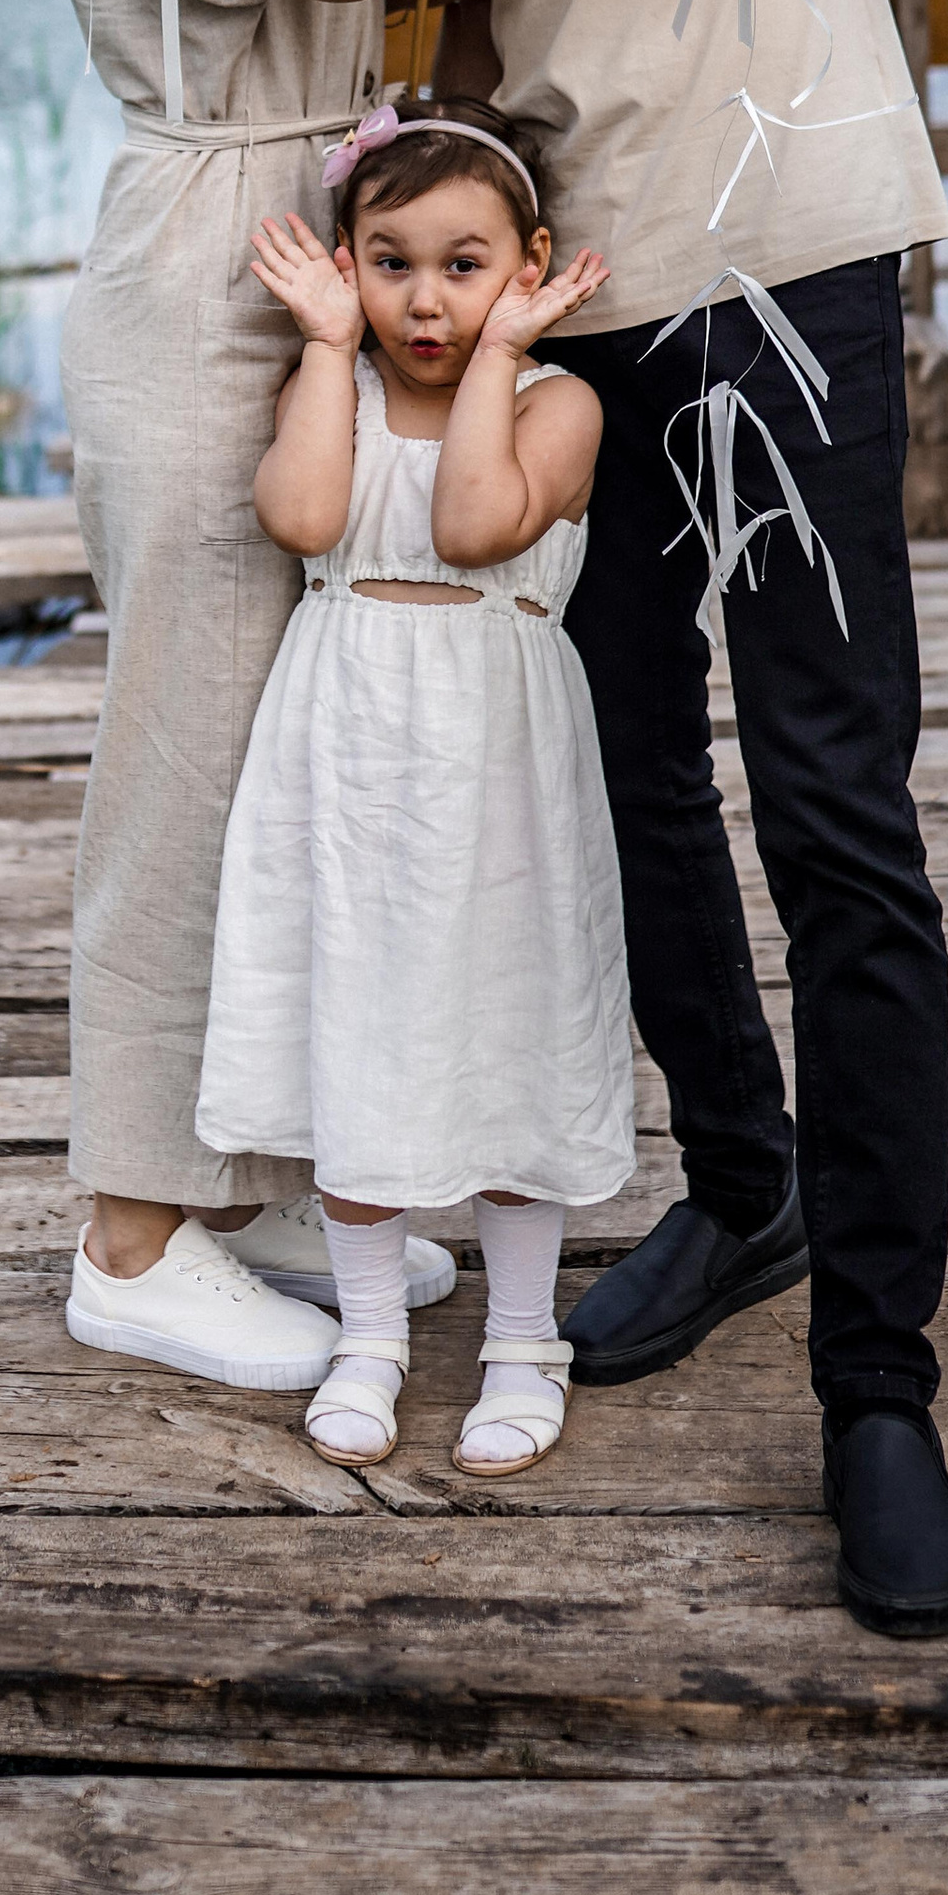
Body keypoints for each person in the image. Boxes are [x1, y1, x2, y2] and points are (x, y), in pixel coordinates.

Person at [297, 0, 948, 1640]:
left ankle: (876, 1392)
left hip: (789, 251)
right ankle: (742, 1176)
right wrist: (435, 8)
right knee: (614, 765)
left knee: (831, 800)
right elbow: (487, 71)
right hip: (585, 297)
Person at [0, 0, 477, 1384]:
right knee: (186, 767)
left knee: (289, 753)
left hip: (291, 230)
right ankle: (126, 1237)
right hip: (205, 275)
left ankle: (246, 1170)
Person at [195, 104, 630, 1472]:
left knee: (510, 1025)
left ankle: (523, 1339)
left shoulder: (559, 404)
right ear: (347, 265)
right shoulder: (332, 384)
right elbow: (304, 519)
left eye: (464, 265)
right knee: (359, 1026)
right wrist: (328, 348)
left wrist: (502, 356)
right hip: (349, 752)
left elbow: (473, 523)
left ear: (531, 265)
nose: (426, 300)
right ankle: (372, 1335)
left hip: (498, 755)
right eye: (390, 264)